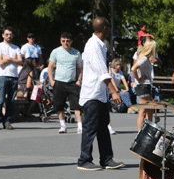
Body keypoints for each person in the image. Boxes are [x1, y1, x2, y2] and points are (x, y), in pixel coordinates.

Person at [77, 17, 124, 171]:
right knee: (90, 128)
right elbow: (102, 73)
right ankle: (84, 160)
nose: (110, 29)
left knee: (103, 127)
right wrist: (114, 91)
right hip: (92, 94)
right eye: (108, 26)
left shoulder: (100, 45)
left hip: (100, 94)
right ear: (104, 28)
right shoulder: (93, 45)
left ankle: (107, 159)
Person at [48, 32, 83, 134]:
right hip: (59, 81)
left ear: (71, 41)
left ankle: (80, 126)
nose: (65, 43)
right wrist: (51, 80)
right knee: (59, 104)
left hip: (72, 82)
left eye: (68, 41)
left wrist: (79, 80)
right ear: (60, 41)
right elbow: (50, 66)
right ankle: (63, 125)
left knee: (77, 105)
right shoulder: (56, 52)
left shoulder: (76, 53)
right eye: (63, 41)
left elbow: (80, 68)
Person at [0, 27, 23, 130]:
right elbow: (0, 62)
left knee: (11, 101)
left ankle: (7, 122)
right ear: (2, 35)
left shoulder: (16, 48)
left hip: (14, 76)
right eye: (6, 34)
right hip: (3, 76)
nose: (8, 36)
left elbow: (21, 62)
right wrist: (14, 59)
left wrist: (9, 58)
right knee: (0, 100)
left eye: (10, 34)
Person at [131, 39, 157, 131]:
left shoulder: (146, 59)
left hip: (145, 86)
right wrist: (138, 78)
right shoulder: (144, 58)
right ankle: (140, 132)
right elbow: (133, 68)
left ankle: (148, 130)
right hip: (142, 86)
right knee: (143, 110)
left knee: (150, 110)